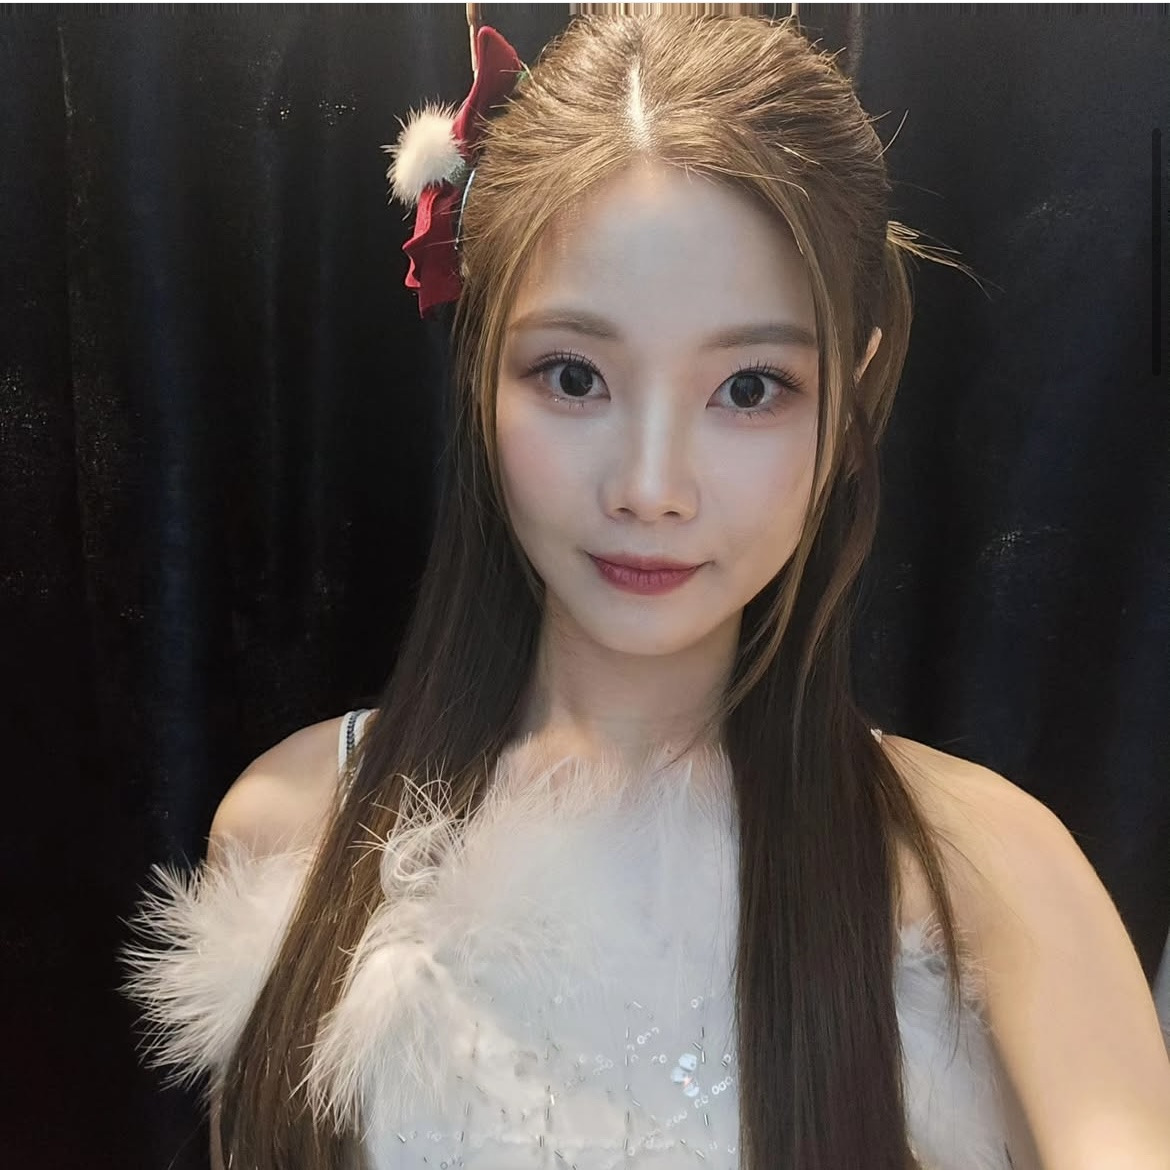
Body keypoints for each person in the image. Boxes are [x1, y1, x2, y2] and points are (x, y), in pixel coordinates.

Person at [119, 12, 1170, 1170]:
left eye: (751, 388)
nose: (651, 488)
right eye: (574, 376)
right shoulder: (292, 830)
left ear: (852, 391)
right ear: (481, 371)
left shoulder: (985, 873)